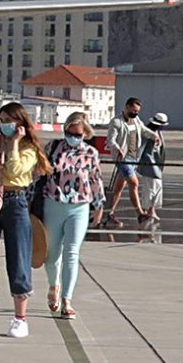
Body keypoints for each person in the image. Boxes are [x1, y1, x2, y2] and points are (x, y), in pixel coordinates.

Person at [0, 104, 48, 338]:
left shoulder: (29, 148)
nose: (4, 124)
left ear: (20, 122)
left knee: (19, 259)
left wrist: (14, 144)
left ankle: (20, 318)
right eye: (1, 119)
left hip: (16, 201)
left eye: (9, 120)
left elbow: (16, 171)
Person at [43, 112, 103, 319]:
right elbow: (39, 174)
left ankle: (67, 300)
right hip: (53, 203)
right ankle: (54, 285)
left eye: (77, 133)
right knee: (51, 254)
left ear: (85, 133)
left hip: (80, 206)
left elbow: (95, 179)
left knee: (72, 252)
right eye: (69, 132)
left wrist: (99, 204)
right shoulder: (52, 147)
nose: (73, 137)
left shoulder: (91, 153)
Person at [101, 96, 158, 228]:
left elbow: (143, 130)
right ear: (127, 107)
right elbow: (111, 140)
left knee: (118, 188)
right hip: (122, 159)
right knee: (134, 183)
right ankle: (140, 214)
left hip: (134, 158)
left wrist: (154, 136)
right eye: (133, 110)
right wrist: (117, 148)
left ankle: (109, 213)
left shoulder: (136, 120)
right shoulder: (116, 122)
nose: (135, 113)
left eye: (137, 111)